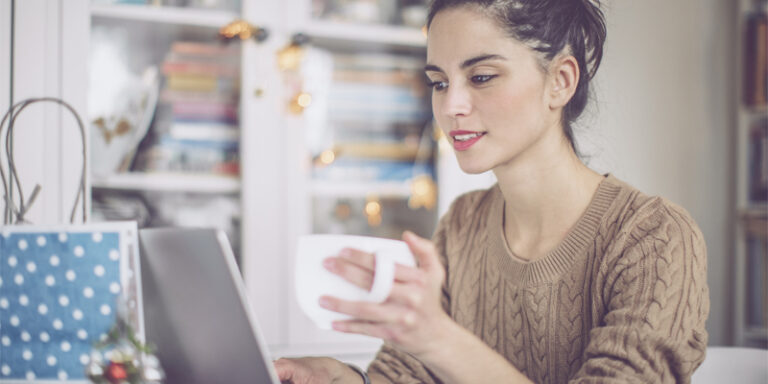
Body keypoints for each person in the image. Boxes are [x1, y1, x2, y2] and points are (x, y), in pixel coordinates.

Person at [274, 0, 710, 382]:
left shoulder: (654, 238)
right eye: (439, 82)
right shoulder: (463, 224)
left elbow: (435, 346)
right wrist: (343, 379)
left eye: (481, 77)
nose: (450, 107)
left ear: (560, 80)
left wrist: (438, 338)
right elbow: (406, 375)